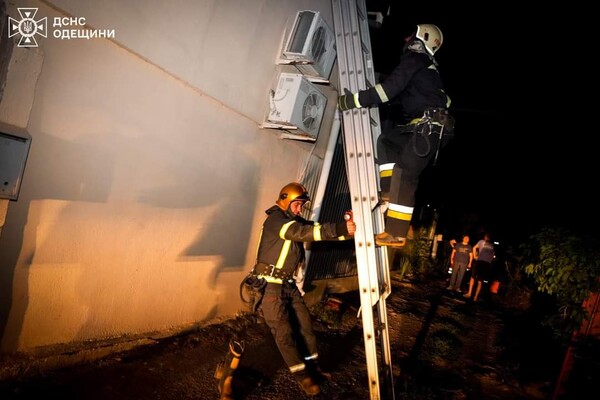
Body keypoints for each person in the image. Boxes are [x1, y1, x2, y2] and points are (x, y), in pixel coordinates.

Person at [338, 24, 454, 248]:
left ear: (422, 38)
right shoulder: (428, 70)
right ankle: (390, 191)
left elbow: (387, 91)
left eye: (411, 35)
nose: (406, 38)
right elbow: (408, 97)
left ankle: (396, 233)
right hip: (425, 128)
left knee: (406, 172)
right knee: (387, 141)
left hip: (427, 128)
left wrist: (353, 101)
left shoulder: (416, 58)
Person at [249, 182, 356, 396]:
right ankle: (303, 377)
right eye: (297, 204)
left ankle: (313, 369)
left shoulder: (292, 221)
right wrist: (341, 229)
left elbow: (316, 230)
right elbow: (303, 232)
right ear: (286, 201)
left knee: (306, 327)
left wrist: (347, 229)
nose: (299, 209)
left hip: (287, 285)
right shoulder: (276, 221)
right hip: (270, 286)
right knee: (284, 333)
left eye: (301, 205)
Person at [464, 233, 495, 302]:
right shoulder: (482, 242)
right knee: (473, 277)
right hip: (480, 261)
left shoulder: (492, 245)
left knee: (479, 280)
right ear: (485, 237)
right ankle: (470, 294)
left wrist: (490, 261)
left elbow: (492, 255)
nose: (487, 238)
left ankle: (475, 297)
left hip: (485, 263)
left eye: (488, 237)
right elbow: (474, 247)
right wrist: (475, 256)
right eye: (487, 237)